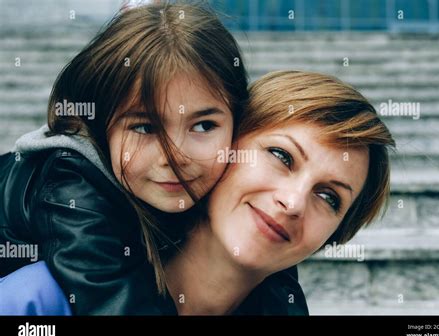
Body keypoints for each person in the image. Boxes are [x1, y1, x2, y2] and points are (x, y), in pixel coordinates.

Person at [1, 70, 395, 315]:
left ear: (337, 234)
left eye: (329, 197)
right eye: (281, 156)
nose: (292, 203)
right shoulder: (38, 302)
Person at [0, 2, 305, 315]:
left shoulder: (231, 178)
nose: (174, 158)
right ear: (103, 127)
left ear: (236, 123)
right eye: (144, 127)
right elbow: (112, 300)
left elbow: (275, 287)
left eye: (203, 126)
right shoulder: (71, 182)